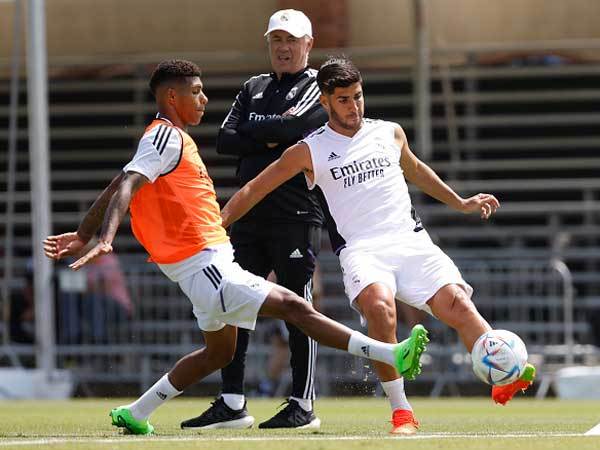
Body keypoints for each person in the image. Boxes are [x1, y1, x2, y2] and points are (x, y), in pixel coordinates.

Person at [42, 59, 429, 436]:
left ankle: (136, 411)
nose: (205, 99)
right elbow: (126, 185)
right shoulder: (164, 135)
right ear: (172, 97)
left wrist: (82, 233)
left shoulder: (164, 139)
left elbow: (118, 182)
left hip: (204, 264)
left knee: (219, 353)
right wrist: (104, 238)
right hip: (205, 265)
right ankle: (388, 353)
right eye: (196, 92)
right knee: (295, 306)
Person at [218, 56, 537, 434]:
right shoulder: (308, 150)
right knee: (381, 311)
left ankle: (503, 373)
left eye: (358, 96)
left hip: (411, 241)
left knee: (460, 305)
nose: (354, 107)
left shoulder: (390, 132)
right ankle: (402, 412)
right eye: (344, 99)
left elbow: (417, 170)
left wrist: (461, 202)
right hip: (362, 250)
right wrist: (218, 225)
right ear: (325, 102)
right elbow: (255, 187)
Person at [181, 9, 329, 430]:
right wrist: (274, 131)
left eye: (291, 40)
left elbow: (300, 127)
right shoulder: (253, 86)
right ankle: (231, 401)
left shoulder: (317, 84)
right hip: (248, 214)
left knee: (298, 307)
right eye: (276, 40)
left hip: (294, 213)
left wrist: (259, 131)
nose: (283, 47)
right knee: (232, 303)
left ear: (308, 43)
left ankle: (303, 403)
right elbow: (226, 139)